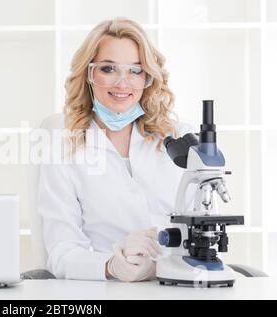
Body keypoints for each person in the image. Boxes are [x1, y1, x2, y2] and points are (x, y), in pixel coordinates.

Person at [37, 18, 196, 282]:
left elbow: (206, 229)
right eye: (108, 68)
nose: (123, 83)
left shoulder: (180, 138)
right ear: (89, 74)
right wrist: (111, 265)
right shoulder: (63, 148)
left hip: (178, 284)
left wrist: (163, 265)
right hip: (108, 289)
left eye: (135, 70)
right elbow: (62, 252)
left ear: (148, 77)